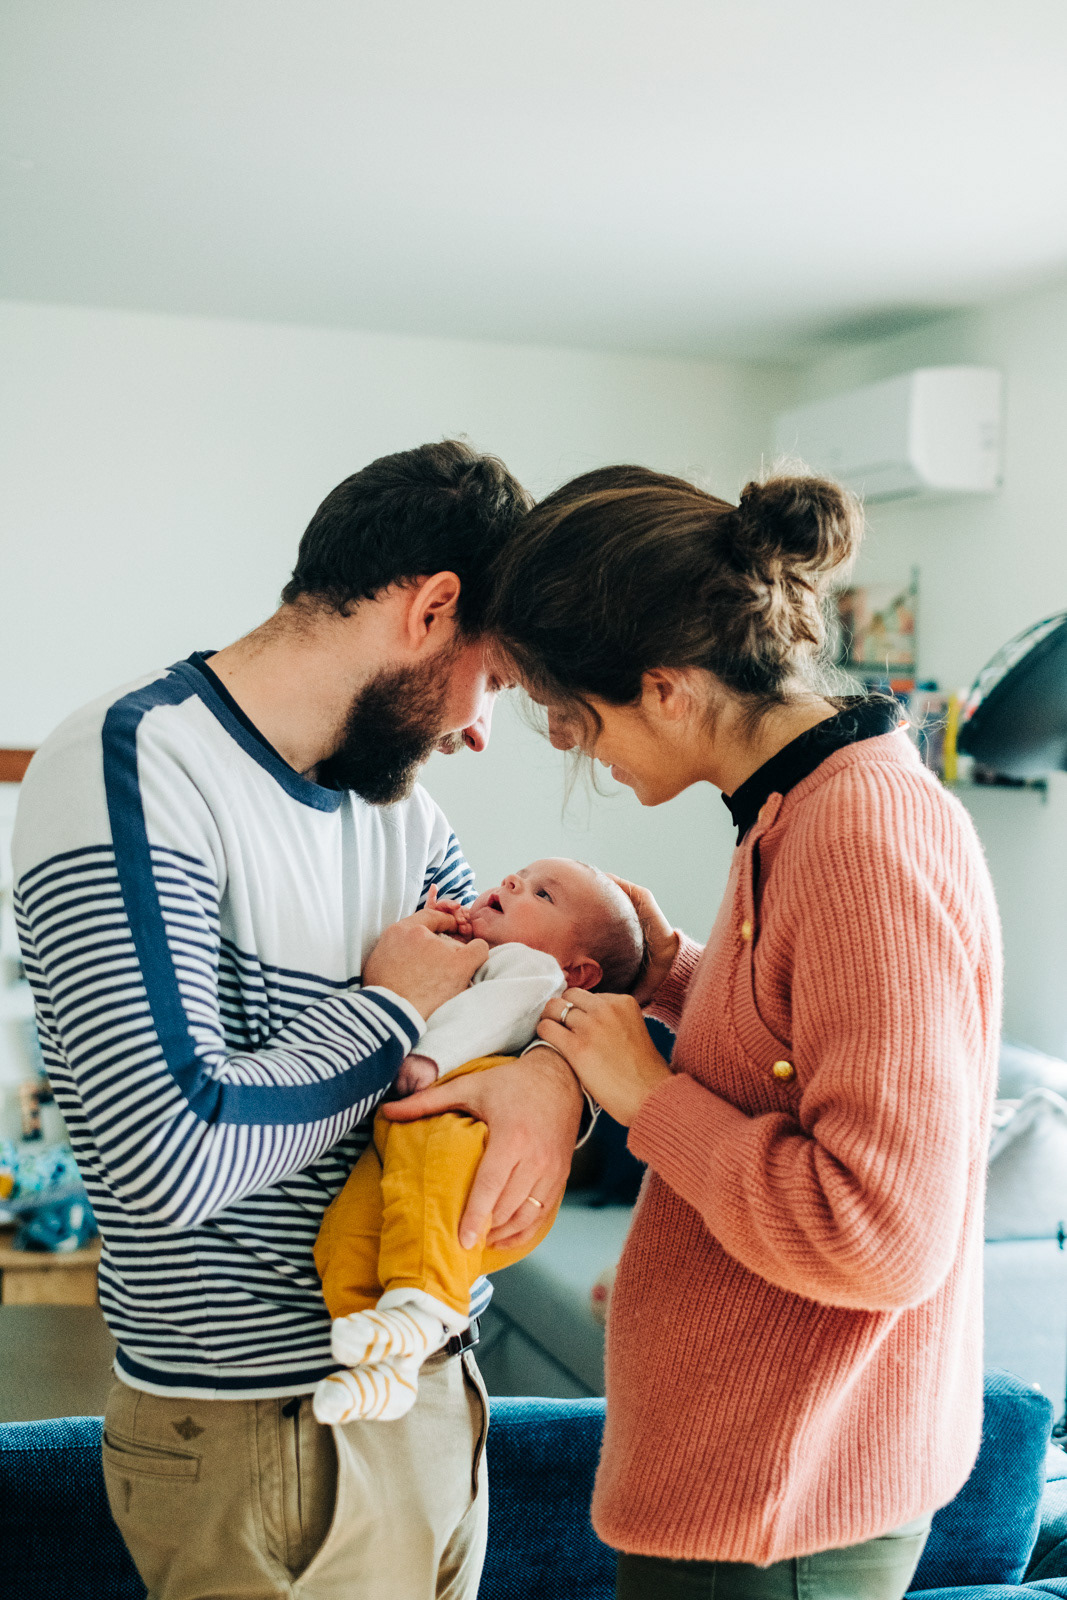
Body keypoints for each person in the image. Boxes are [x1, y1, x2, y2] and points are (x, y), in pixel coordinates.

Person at [396, 465, 1002, 1600]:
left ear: (664, 689)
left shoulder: (855, 833)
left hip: (781, 1504)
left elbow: (875, 1233)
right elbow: (801, 1046)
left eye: (575, 720)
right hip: (754, 1478)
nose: (586, 756)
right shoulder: (799, 807)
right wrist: (666, 972)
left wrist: (644, 1098)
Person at [11, 441, 588, 1600]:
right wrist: (385, 1011)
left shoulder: (409, 821)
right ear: (431, 609)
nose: (479, 732)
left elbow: (509, 1031)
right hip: (268, 1432)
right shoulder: (130, 764)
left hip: (439, 1391)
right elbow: (169, 1156)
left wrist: (548, 1086)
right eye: (494, 680)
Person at [312, 860, 643, 1425]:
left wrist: (426, 1059)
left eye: (543, 894)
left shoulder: (533, 971)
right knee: (345, 1242)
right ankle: (386, 1372)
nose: (513, 883)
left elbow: (489, 1015)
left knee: (421, 1218)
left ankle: (420, 1312)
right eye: (516, 875)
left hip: (464, 1132)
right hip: (408, 1139)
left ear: (579, 972)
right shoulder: (486, 958)